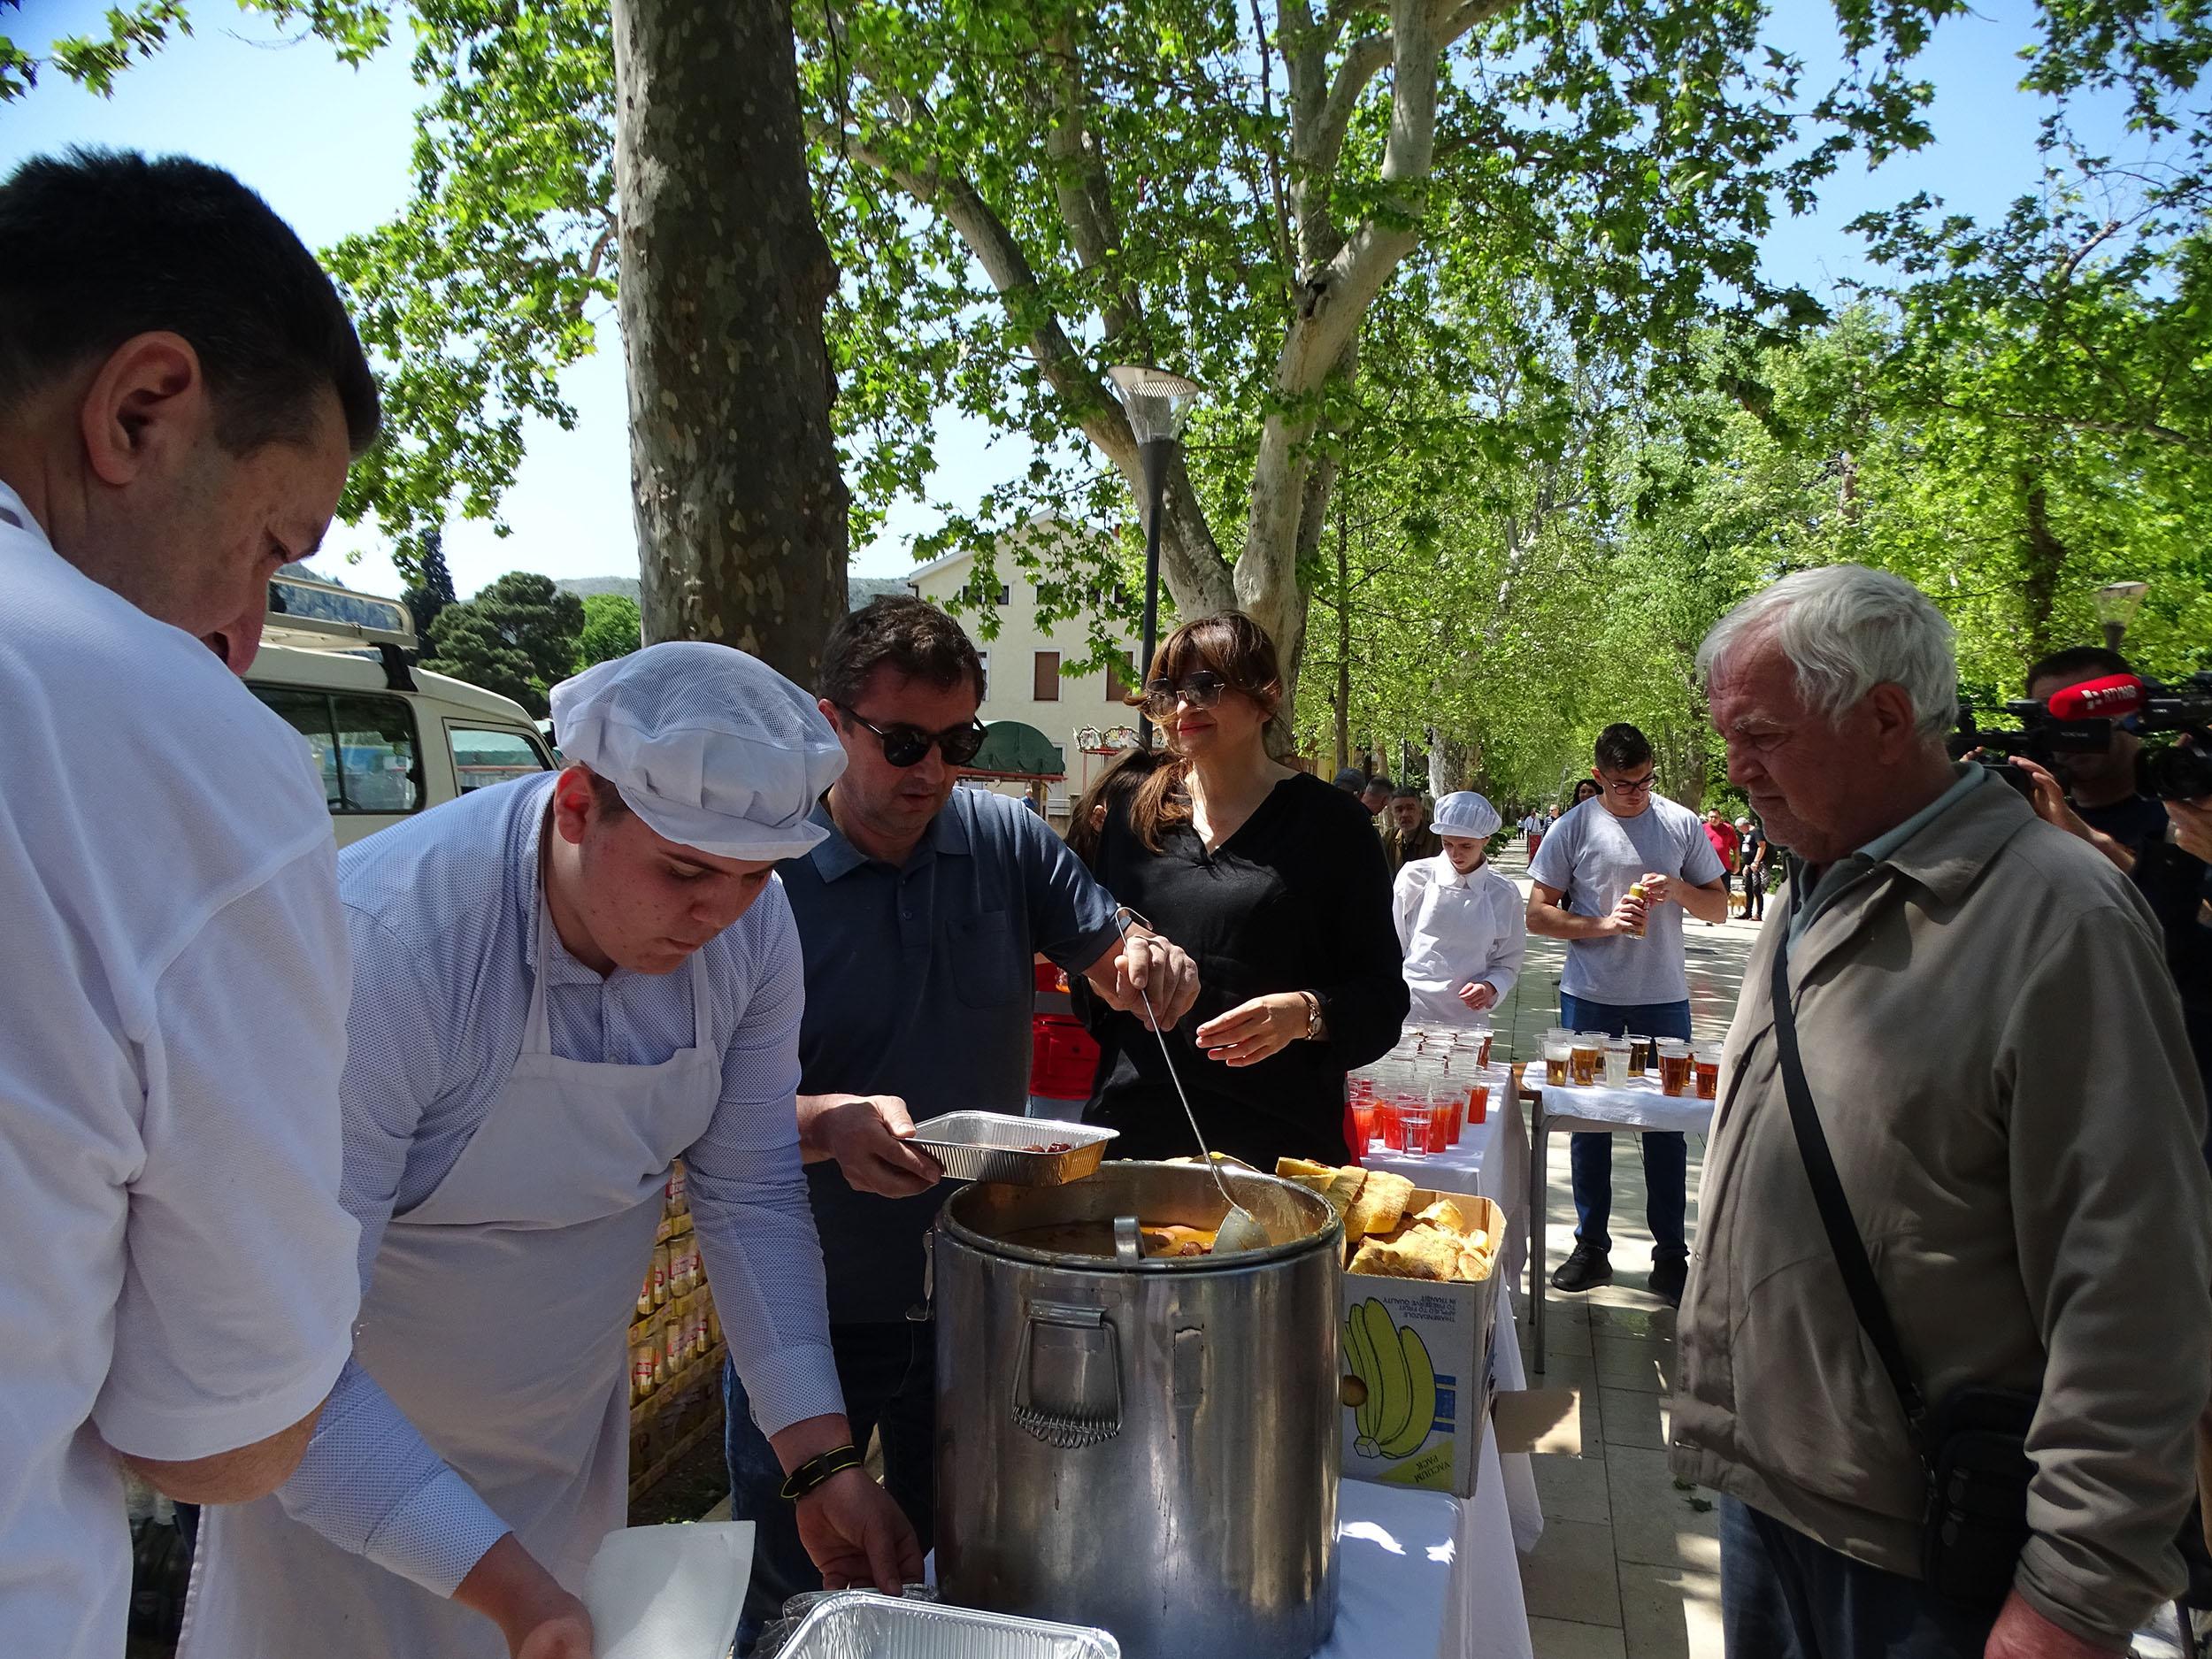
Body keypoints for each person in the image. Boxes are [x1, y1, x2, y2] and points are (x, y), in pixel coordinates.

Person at [185, 645, 924, 1659]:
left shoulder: (749, 934)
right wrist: (506, 1586)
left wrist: (820, 1460)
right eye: (684, 870)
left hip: (562, 1440)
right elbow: (282, 1359)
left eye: (754, 877)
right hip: (341, 1466)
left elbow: (749, 1192)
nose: (716, 915)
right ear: (576, 803)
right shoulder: (390, 946)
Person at [1678, 564, 2212, 1659]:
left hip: (1929, 1564)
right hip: (1765, 1502)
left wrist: (2073, 1595)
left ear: (1882, 719)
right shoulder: (1809, 883)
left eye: (1763, 735)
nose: (1734, 769)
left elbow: (2136, 1287)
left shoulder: (2059, 919)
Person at [0, 150, 382, 1659]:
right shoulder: (151, 727)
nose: (245, 630)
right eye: (272, 548)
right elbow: (224, 1437)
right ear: (141, 408)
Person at [721, 597, 1200, 1640]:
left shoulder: (999, 837)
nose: (931, 771)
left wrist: (1139, 958)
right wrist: (823, 1123)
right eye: (901, 743)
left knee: (984, 1582)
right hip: (809, 1308)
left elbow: (1102, 940)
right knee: (785, 1594)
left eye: (958, 743)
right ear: (829, 724)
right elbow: (700, 1108)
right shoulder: (757, 869)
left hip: (981, 1302)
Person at [1086, 612, 1409, 1164]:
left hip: (1279, 1147)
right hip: (1135, 1134)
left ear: (1267, 697)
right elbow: (1087, 961)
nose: (1184, 706)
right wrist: (1107, 976)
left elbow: (1381, 998)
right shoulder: (1133, 814)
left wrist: (1306, 1013)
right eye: (1168, 690)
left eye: (1205, 686)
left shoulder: (1334, 825)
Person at [1527, 724, 1728, 1304]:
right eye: (1623, 785)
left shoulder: (1680, 823)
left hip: (1664, 998)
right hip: (1589, 996)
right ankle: (1591, 1246)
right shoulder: (1575, 826)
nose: (1636, 793)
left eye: (1645, 782)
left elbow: (1719, 907)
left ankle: (1672, 1256)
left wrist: (1679, 890)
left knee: (1667, 1126)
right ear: (1599, 777)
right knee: (1586, 1122)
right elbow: (1537, 915)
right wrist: (1602, 925)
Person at [2023, 646, 2171, 859]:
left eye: (2089, 707)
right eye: (2053, 714)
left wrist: (2091, 841)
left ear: (2136, 711)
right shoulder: (2030, 816)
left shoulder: (2188, 809)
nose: (2072, 727)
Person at [1394, 793, 1525, 1025]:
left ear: (1485, 839)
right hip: (1412, 1007)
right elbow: (1395, 944)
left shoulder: (1503, 893)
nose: (1455, 854)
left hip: (1468, 1015)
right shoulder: (1415, 876)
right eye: (1448, 844)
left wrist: (1491, 986)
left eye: (1466, 845)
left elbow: (1508, 961)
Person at [1382, 783, 1444, 876]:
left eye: (1410, 808)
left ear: (1420, 810)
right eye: (1399, 810)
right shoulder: (1389, 838)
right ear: (1392, 813)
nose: (1405, 814)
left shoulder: (1438, 838)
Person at [1703, 807, 1739, 922]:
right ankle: (1709, 915)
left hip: (1724, 865)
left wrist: (1737, 862)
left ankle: (1721, 913)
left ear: (1720, 818)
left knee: (1725, 891)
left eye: (1716, 817)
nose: (1713, 819)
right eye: (1711, 817)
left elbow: (1735, 847)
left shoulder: (1728, 829)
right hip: (1707, 865)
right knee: (1708, 891)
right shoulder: (1702, 829)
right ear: (1708, 818)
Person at [1737, 816, 1769, 921]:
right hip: (1749, 865)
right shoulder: (1747, 835)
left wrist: (1756, 861)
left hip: (1757, 865)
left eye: (1740, 828)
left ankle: (1758, 914)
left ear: (1745, 825)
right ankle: (1748, 912)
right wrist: (1746, 864)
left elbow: (1762, 846)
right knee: (1748, 888)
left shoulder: (1756, 832)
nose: (1740, 830)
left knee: (1757, 889)